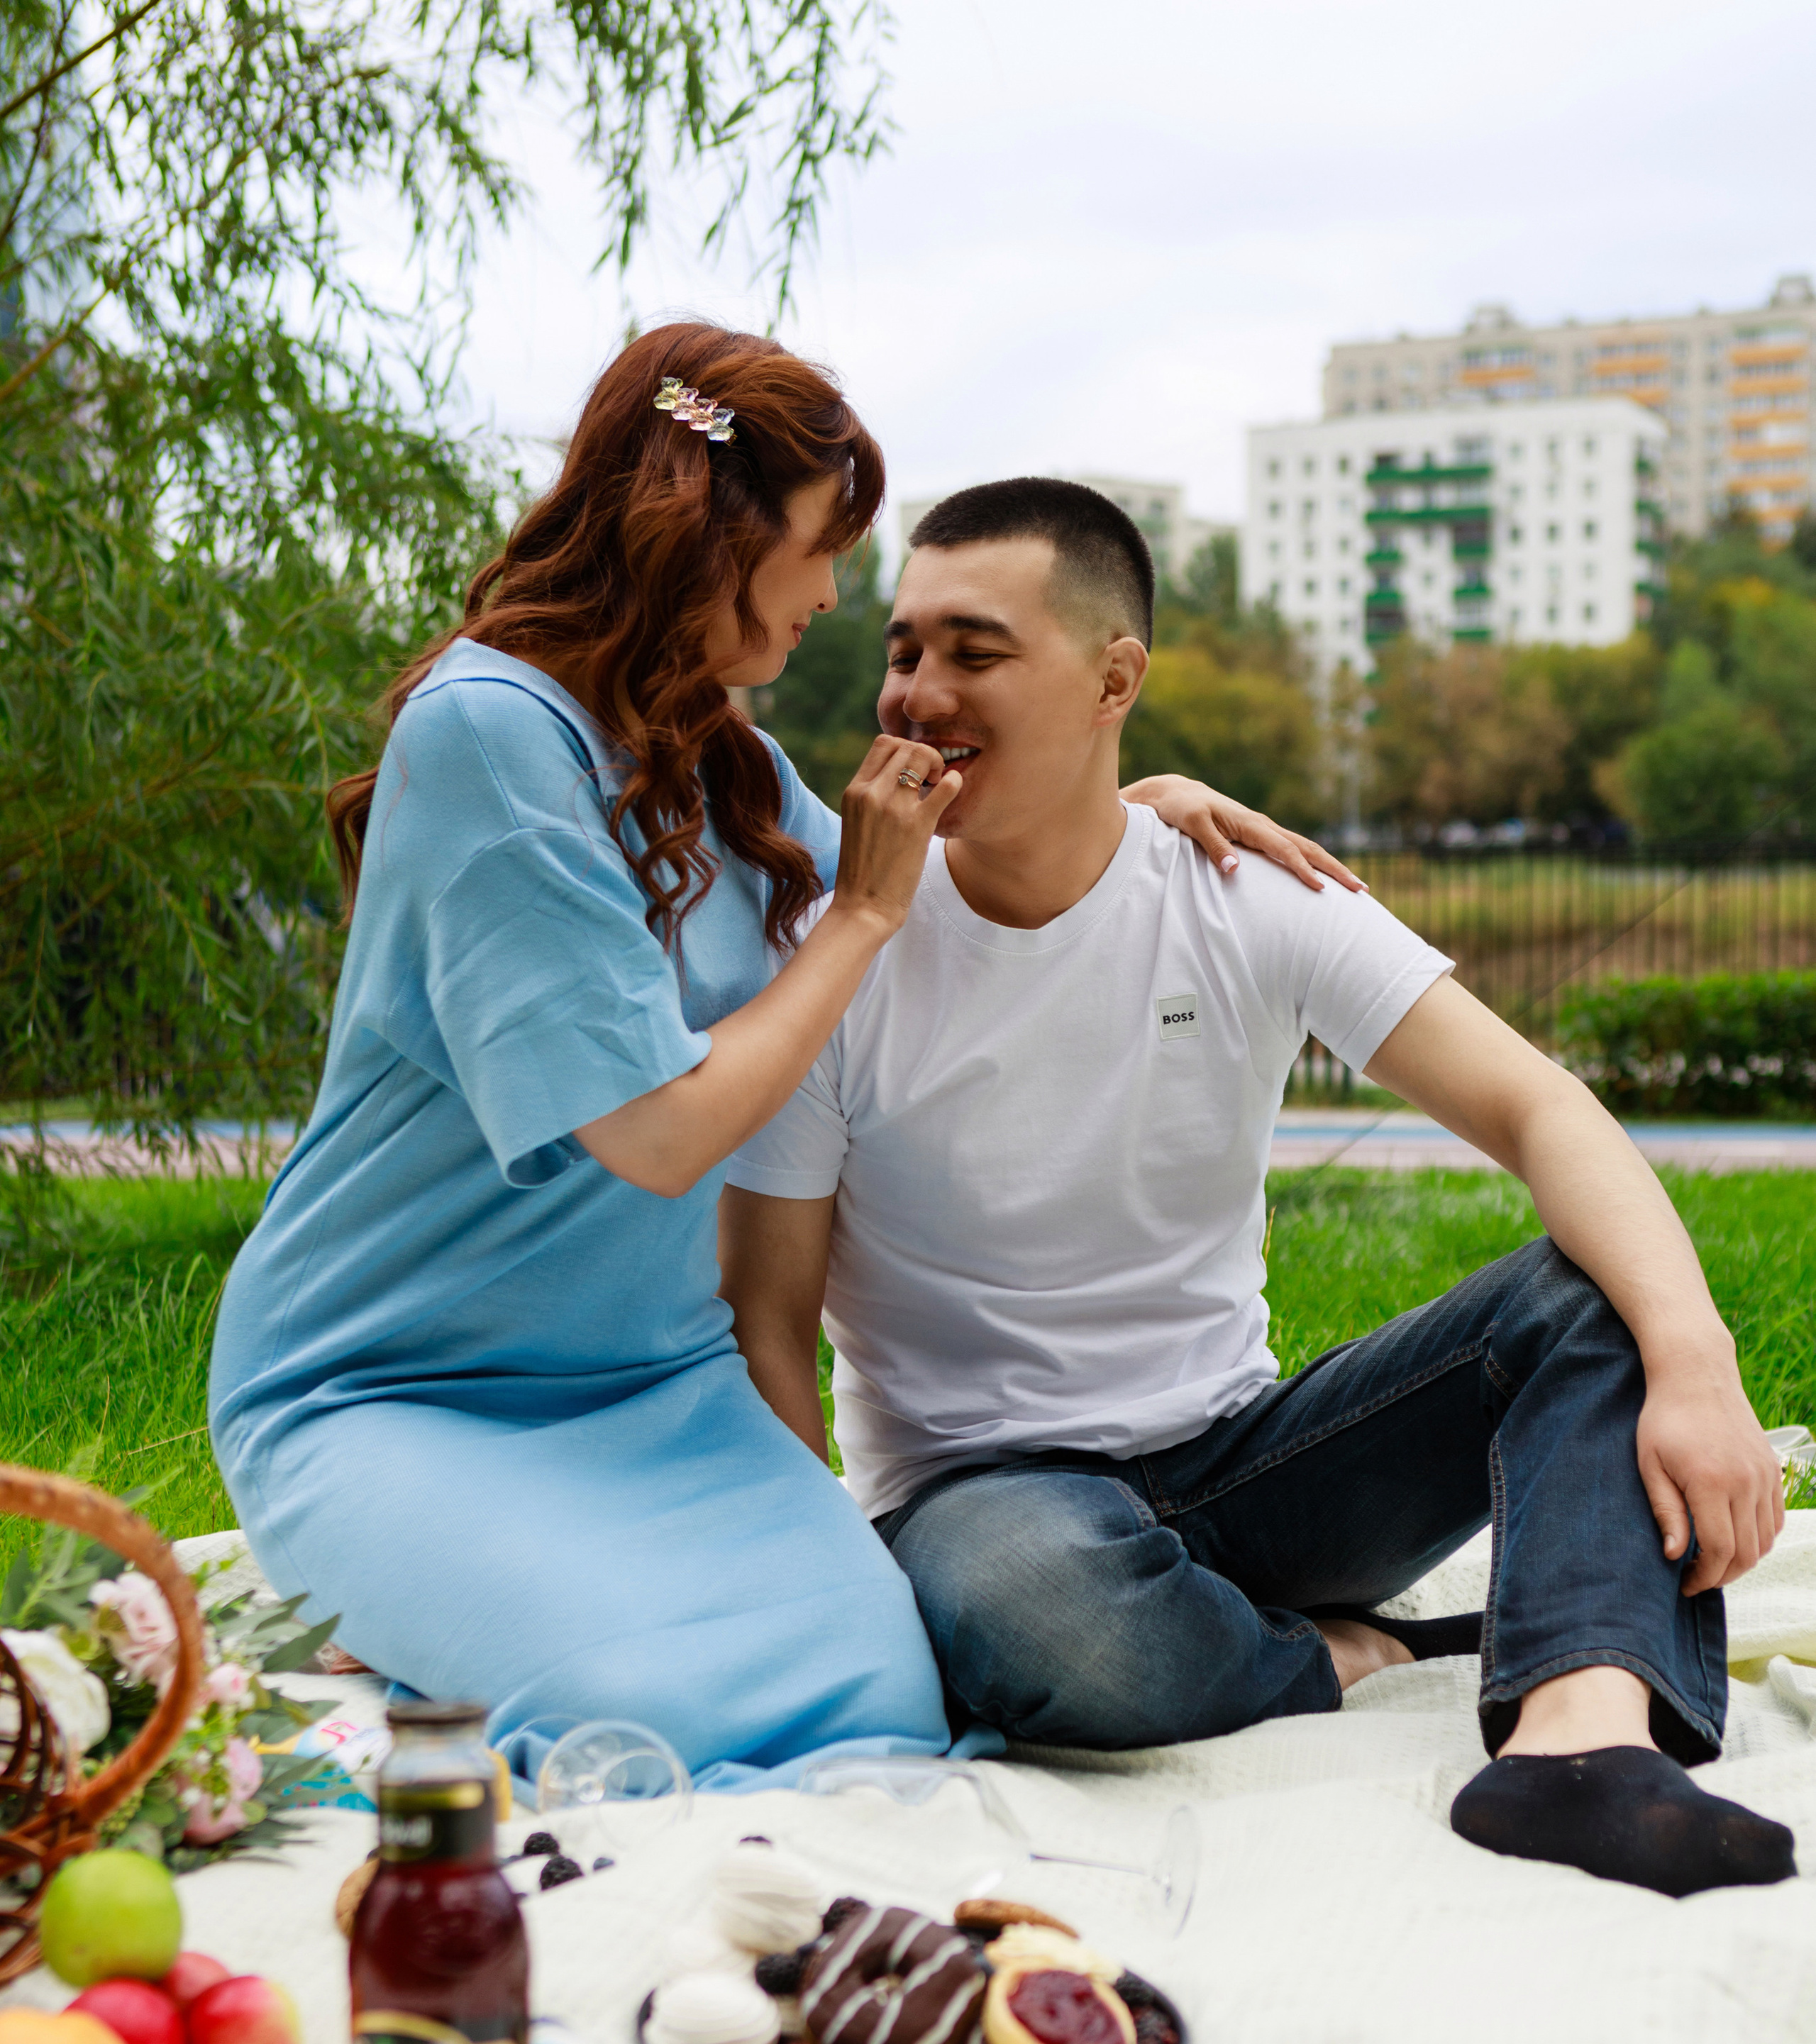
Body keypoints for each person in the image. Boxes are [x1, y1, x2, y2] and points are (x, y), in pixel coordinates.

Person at [208, 331, 1341, 1782]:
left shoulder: (721, 764)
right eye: (821, 550)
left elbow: (947, 860)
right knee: (650, 1717)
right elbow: (663, 1131)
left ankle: (444, 1603)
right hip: (388, 1383)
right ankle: (412, 1578)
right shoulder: (488, 733)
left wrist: (1136, 802)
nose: (832, 597)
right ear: (715, 533)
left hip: (657, 1387)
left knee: (885, 1694)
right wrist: (856, 917)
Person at [719, 477, 1795, 1893]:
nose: (916, 693)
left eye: (973, 652)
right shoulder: (837, 950)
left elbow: (1539, 1108)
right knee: (1023, 1599)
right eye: (903, 649)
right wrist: (830, 1608)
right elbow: (767, 1323)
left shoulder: (1237, 888)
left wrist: (1697, 1363)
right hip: (992, 1506)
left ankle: (1578, 1744)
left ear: (1114, 681)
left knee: (1592, 1296)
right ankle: (1340, 1658)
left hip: (1251, 1464)